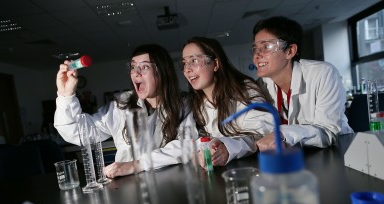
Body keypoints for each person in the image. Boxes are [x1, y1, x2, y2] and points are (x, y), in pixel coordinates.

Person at [54, 44, 192, 178]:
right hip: (129, 189)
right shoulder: (121, 106)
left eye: (144, 67)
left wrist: (137, 165)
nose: (136, 73)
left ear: (163, 72)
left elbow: (186, 146)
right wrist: (65, 95)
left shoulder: (183, 104)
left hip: (172, 184)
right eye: (133, 67)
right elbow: (78, 133)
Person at [252, 16, 353, 152]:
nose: (257, 55)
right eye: (255, 48)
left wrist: (283, 133)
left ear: (290, 51)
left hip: (339, 149)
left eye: (266, 46)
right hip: (298, 152)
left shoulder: (323, 73)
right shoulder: (262, 84)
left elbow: (328, 131)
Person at [180, 36, 274, 168]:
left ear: (216, 64)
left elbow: (264, 134)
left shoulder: (244, 91)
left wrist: (229, 148)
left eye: (194, 61)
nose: (187, 69)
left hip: (257, 169)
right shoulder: (195, 103)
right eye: (184, 63)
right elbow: (193, 140)